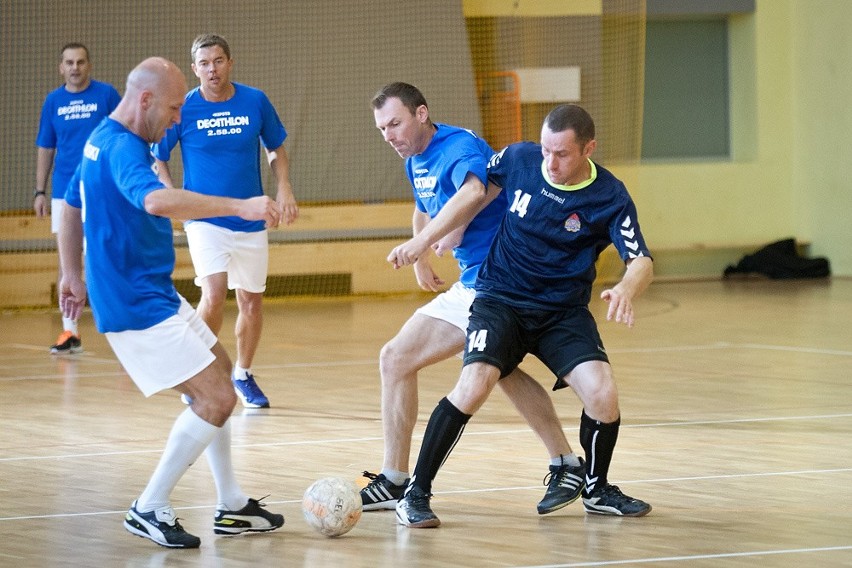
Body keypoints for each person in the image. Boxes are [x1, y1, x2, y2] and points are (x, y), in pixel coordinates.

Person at [389, 103, 654, 528]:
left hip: (561, 312)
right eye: (546, 150)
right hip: (501, 298)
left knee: (602, 393)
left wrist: (625, 287)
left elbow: (641, 259)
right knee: (475, 383)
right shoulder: (520, 158)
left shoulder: (609, 195)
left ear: (589, 148)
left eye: (562, 154)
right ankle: (415, 493)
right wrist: (435, 235)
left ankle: (597, 488)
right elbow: (476, 191)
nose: (550, 162)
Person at [58, 57, 286, 549]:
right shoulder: (122, 148)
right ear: (145, 100)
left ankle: (229, 504)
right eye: (175, 106)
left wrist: (71, 272)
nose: (178, 117)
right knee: (217, 397)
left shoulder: (101, 137)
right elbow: (157, 202)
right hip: (135, 305)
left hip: (153, 292)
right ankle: (148, 505)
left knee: (220, 378)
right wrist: (239, 206)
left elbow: (73, 202)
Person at [361, 82, 584, 516]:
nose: (388, 134)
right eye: (381, 128)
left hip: (498, 278)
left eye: (395, 122)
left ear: (421, 114)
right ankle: (566, 461)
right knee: (501, 369)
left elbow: (473, 192)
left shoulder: (458, 145)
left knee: (397, 358)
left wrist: (422, 242)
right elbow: (422, 203)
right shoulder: (415, 158)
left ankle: (395, 478)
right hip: (476, 279)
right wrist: (423, 249)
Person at [152, 34, 298, 408]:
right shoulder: (182, 108)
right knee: (214, 293)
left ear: (229, 63)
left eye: (218, 61)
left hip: (250, 217)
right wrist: (173, 199)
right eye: (204, 63)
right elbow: (159, 157)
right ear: (194, 68)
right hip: (204, 219)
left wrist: (284, 189)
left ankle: (243, 374)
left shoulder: (255, 100)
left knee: (251, 301)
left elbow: (275, 148)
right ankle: (198, 373)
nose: (212, 69)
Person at [35, 42, 121, 354]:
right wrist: (40, 190)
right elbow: (46, 146)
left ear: (89, 65)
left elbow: (122, 134)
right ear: (61, 67)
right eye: (69, 63)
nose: (75, 68)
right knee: (67, 262)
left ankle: (122, 330)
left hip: (101, 188)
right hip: (64, 193)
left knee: (107, 256)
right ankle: (70, 332)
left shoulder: (107, 94)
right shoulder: (53, 101)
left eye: (80, 62)